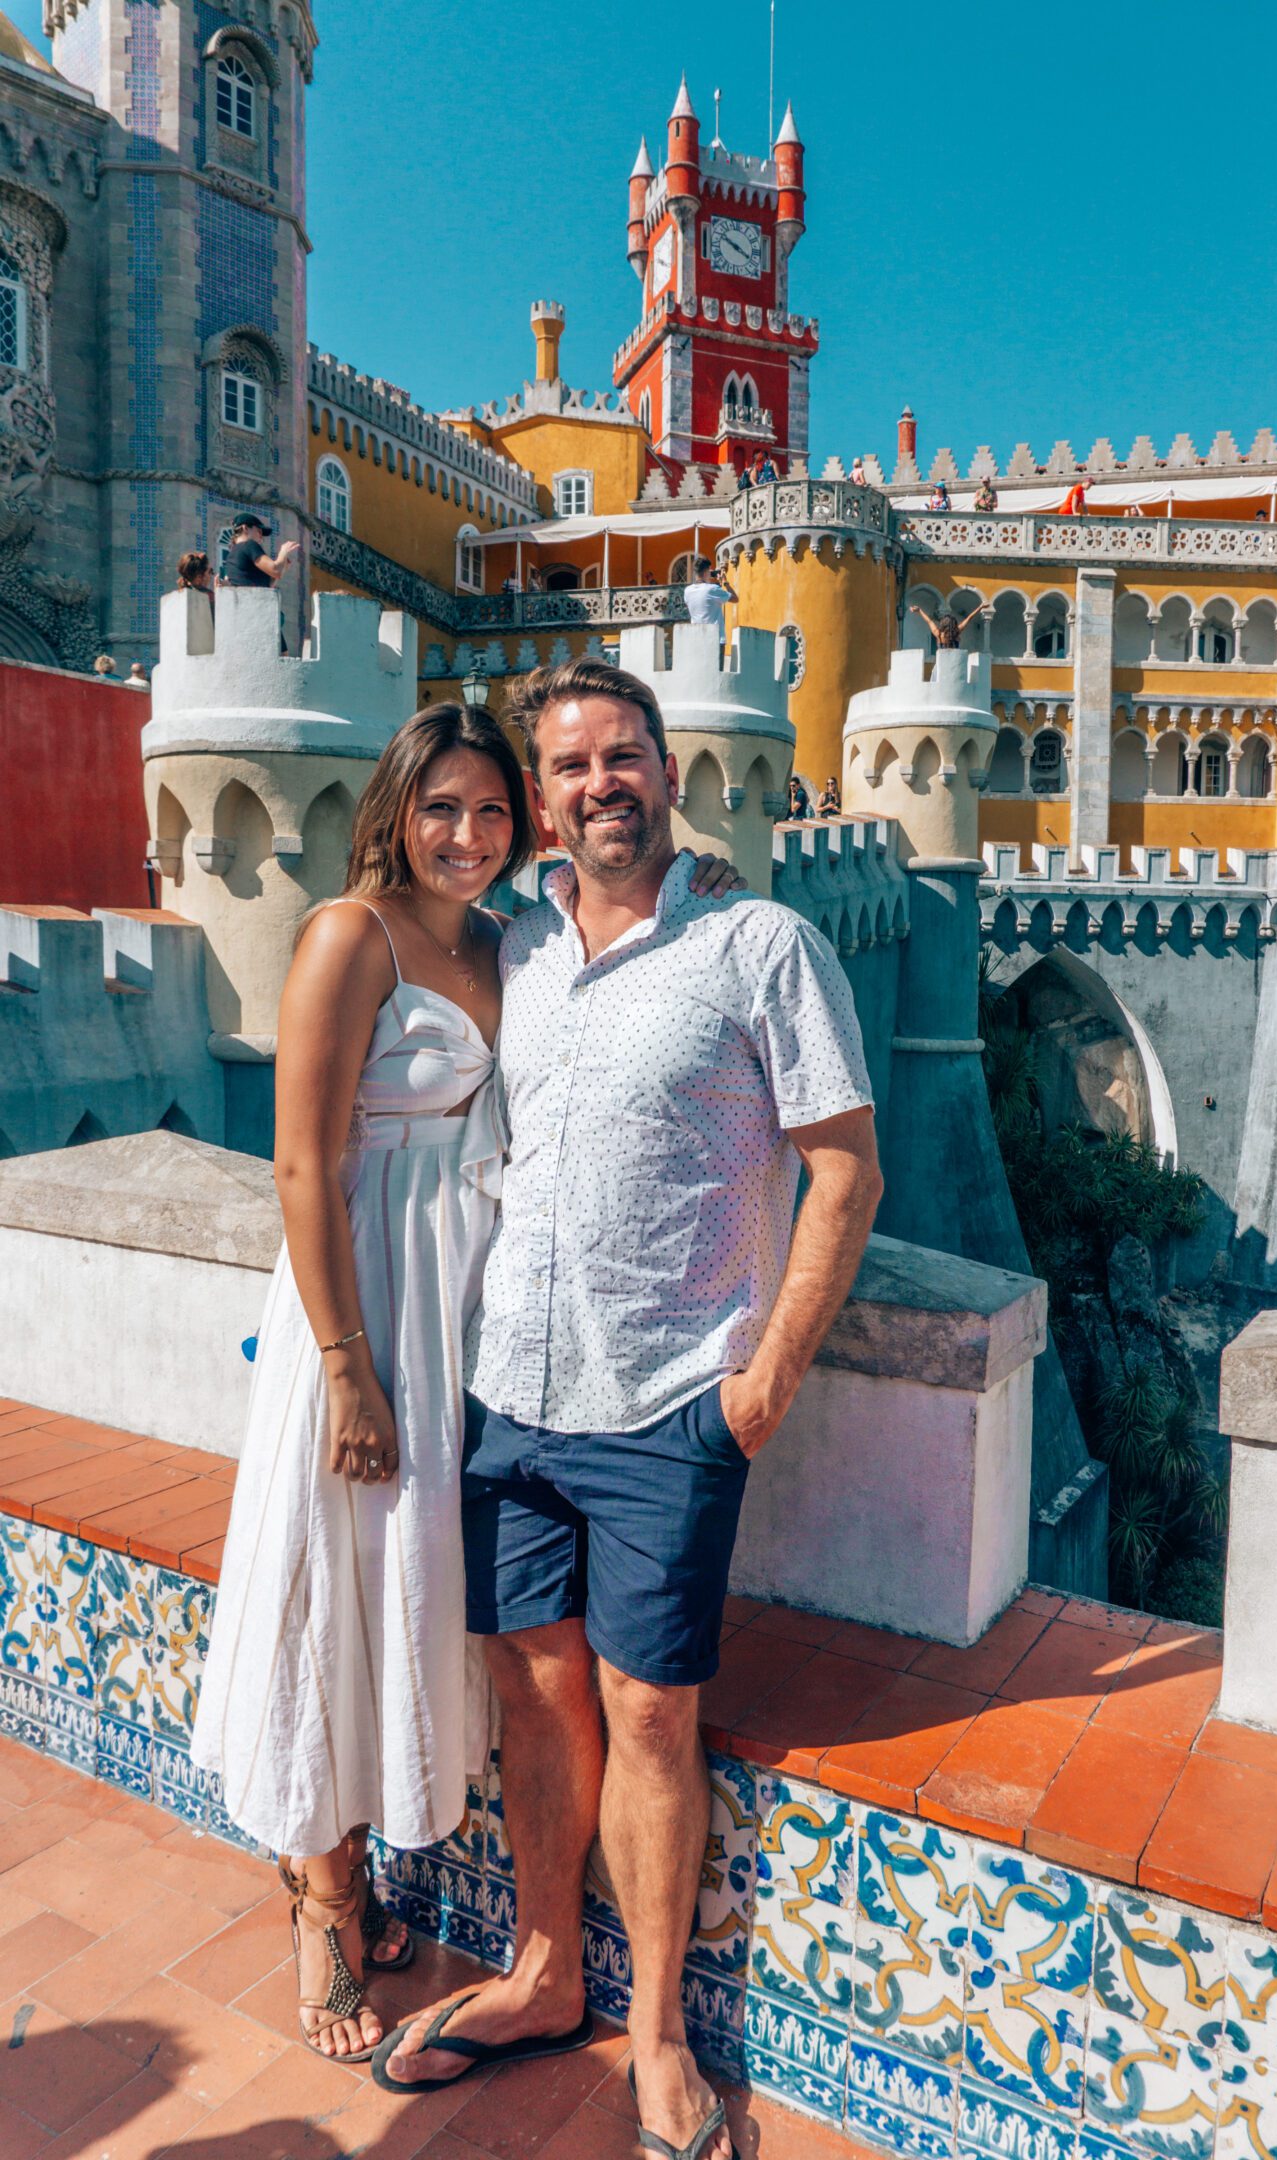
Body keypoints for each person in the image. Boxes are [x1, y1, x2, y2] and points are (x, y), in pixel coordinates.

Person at [375, 658, 882, 2160]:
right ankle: (541, 1973)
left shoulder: (761, 945)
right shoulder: (516, 946)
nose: (599, 783)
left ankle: (654, 2032)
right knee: (537, 1693)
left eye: (623, 756)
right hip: (510, 1389)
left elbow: (845, 1168)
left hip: (669, 1399)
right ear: (544, 798)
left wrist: (768, 1375)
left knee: (652, 1713)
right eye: (572, 765)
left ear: (670, 772)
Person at [189, 706, 742, 2069]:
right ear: (396, 806)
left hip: (470, 1314)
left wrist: (710, 881)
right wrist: (345, 1371)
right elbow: (305, 1167)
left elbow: (631, 950)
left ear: (527, 826)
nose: (468, 834)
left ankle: (369, 1868)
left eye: (493, 812)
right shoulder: (348, 936)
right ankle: (326, 1899)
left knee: (412, 1596)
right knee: (330, 1587)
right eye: (443, 807)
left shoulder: (513, 941)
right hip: (368, 1299)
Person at [221, 511, 299, 590]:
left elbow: (267, 584)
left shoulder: (231, 555)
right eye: (259, 531)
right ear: (245, 528)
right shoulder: (249, 545)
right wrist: (283, 551)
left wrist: (283, 567)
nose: (261, 537)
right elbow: (276, 571)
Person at [682, 555, 736, 629]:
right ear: (705, 573)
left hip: (696, 634)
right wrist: (725, 583)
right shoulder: (713, 589)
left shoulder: (687, 591)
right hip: (715, 635)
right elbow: (735, 598)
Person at [909, 598, 985, 650]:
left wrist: (919, 611)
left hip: (941, 665)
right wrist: (980, 607)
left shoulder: (938, 634)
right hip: (954, 665)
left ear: (943, 624)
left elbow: (929, 621)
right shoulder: (956, 632)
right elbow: (969, 618)